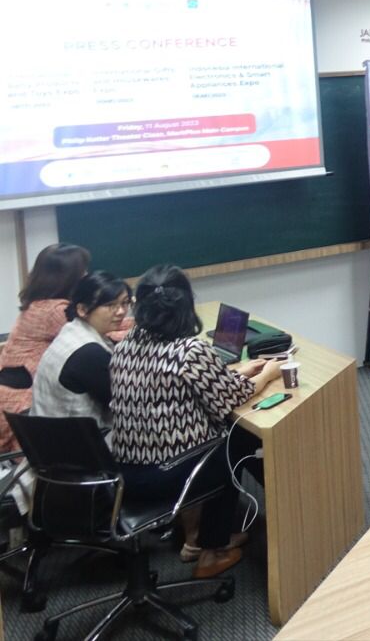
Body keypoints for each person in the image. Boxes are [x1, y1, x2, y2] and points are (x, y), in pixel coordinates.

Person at [110, 265, 282, 578]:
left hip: (126, 474)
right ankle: (213, 550)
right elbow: (233, 396)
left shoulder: (124, 347)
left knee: (229, 438)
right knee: (236, 440)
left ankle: (211, 535)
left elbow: (183, 387)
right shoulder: (189, 350)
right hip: (168, 473)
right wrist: (269, 373)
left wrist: (233, 373)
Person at [0, 243, 92, 452]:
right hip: (20, 405)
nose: (87, 276)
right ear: (69, 277)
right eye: (83, 271)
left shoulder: (38, 303)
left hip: (13, 399)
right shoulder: (55, 311)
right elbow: (95, 333)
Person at [31, 271, 129, 428]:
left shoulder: (71, 332)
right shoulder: (88, 354)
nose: (121, 311)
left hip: (48, 436)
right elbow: (125, 404)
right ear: (82, 309)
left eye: (125, 303)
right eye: (109, 305)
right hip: (78, 441)